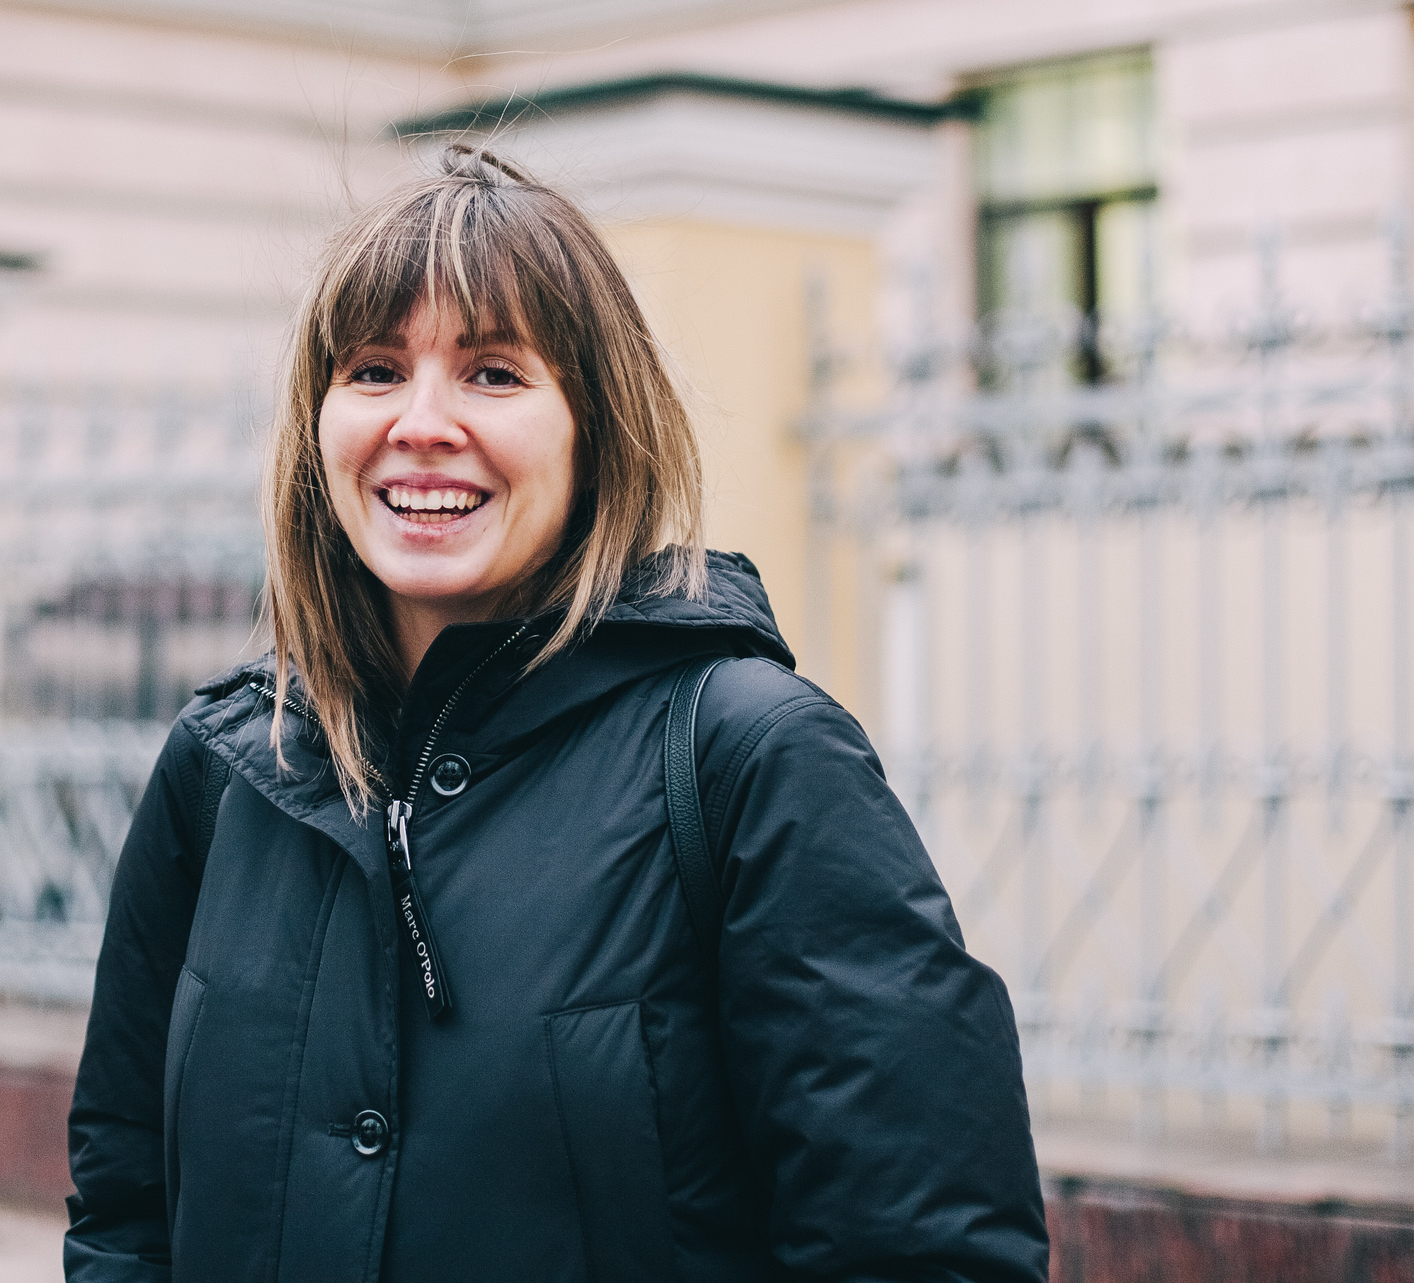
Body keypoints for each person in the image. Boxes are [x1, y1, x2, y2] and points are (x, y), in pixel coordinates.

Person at [64, 143, 1047, 1283]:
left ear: (596, 427)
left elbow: (919, 1246)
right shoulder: (226, 768)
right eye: (375, 370)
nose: (420, 423)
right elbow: (126, 1206)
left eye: (492, 373)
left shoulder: (751, 759)